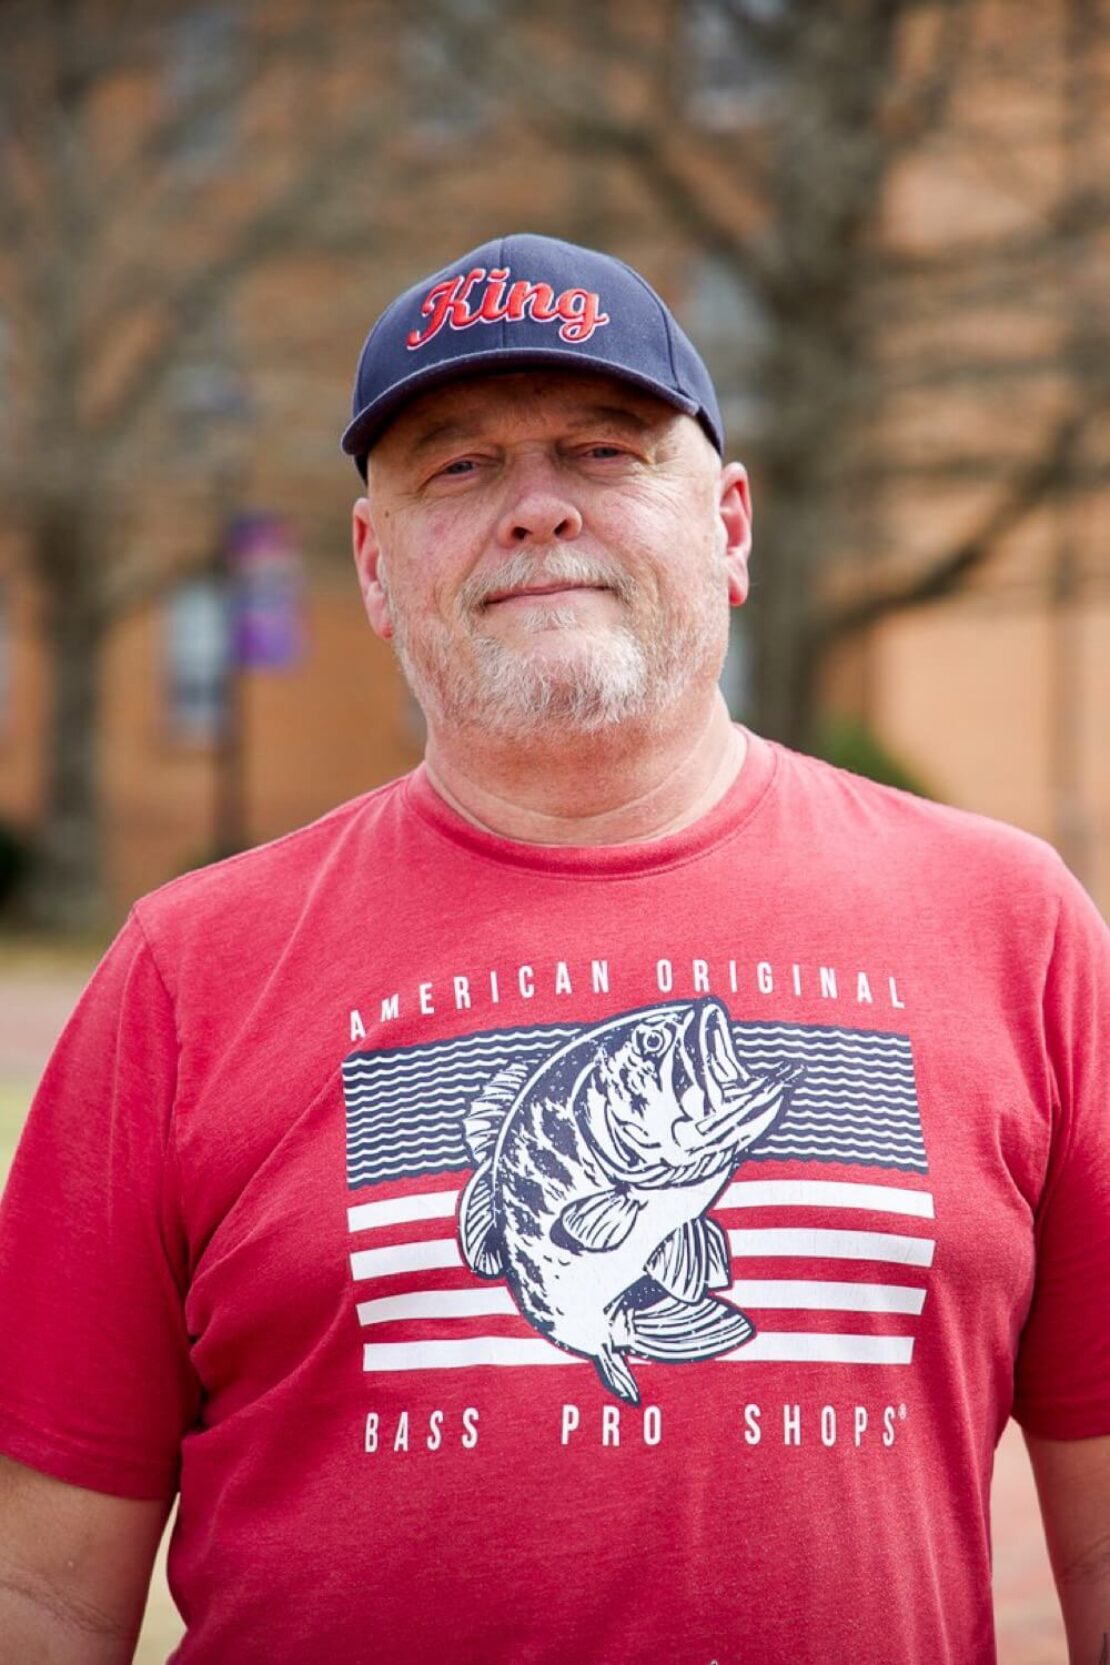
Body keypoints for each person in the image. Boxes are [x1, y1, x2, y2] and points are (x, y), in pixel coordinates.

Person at [0, 232, 1107, 1665]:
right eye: (455, 466)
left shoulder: (1014, 924)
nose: (533, 509)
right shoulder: (180, 974)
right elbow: (37, 1589)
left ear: (728, 524)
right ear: (374, 565)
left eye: (601, 448)